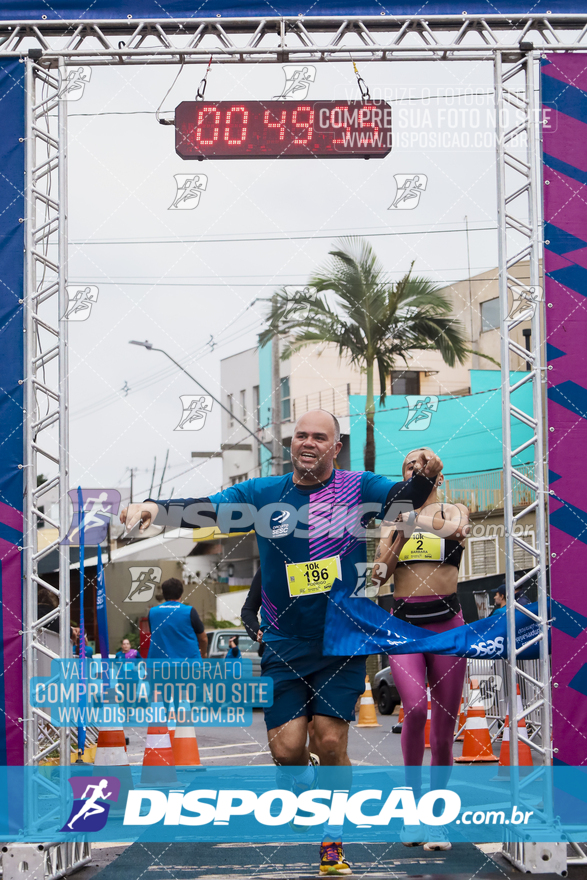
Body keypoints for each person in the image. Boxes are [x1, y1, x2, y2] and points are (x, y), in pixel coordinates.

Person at [121, 409, 442, 875]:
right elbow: (206, 507)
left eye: (319, 437)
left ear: (336, 447)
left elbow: (400, 502)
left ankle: (332, 840)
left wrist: (423, 477)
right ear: (291, 444)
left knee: (330, 741)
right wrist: (154, 507)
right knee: (287, 750)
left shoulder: (359, 487)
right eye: (300, 436)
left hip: (341, 638)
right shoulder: (260, 494)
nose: (307, 443)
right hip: (284, 641)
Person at [372, 447, 470, 852]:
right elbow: (378, 574)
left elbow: (455, 532)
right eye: (409, 466)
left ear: (438, 476)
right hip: (405, 627)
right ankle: (411, 813)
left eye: (423, 463)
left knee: (444, 732)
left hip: (448, 626)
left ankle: (436, 820)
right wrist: (397, 535)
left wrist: (410, 516)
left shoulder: (455, 509)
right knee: (413, 710)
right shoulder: (391, 521)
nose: (417, 468)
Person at [146, 578, 208, 660]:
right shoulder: (189, 611)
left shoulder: (152, 612)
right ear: (181, 594)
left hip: (159, 664)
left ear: (163, 594)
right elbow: (203, 638)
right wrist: (203, 654)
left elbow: (154, 633)